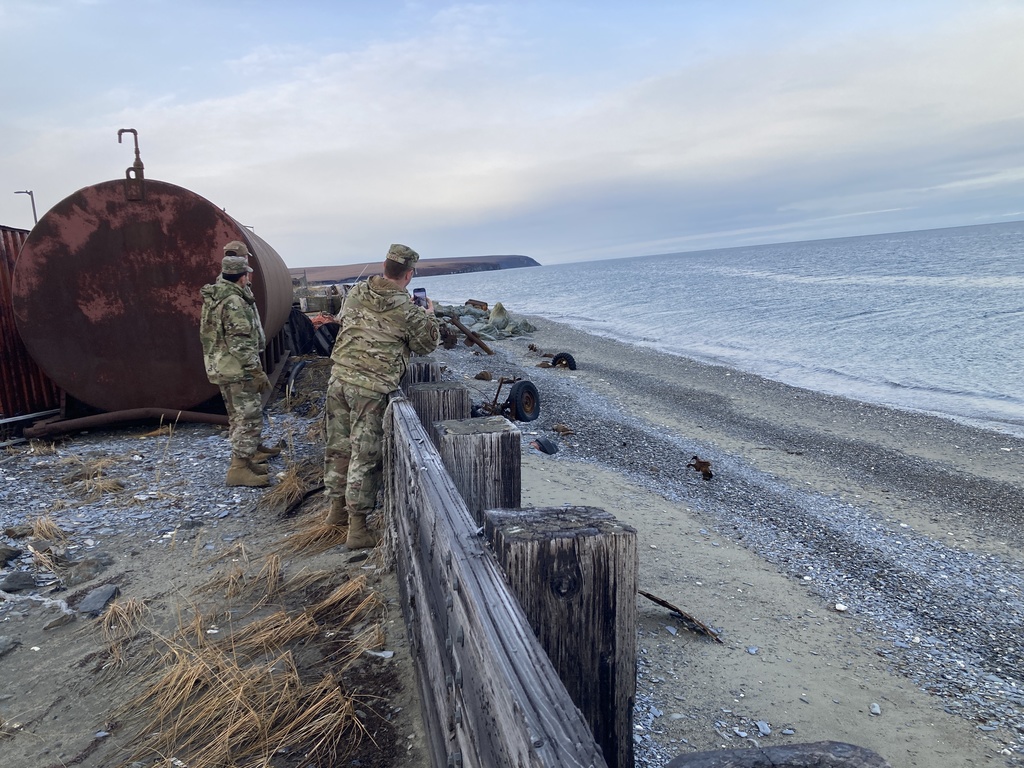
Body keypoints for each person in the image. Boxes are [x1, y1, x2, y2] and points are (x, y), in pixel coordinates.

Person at [324, 243, 440, 548]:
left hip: (338, 378)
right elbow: (427, 345)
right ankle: (358, 530)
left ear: (384, 266)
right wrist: (430, 316)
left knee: (338, 447)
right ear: (410, 274)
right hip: (370, 388)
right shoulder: (406, 308)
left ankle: (335, 511)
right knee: (366, 455)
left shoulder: (358, 292)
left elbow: (343, 319)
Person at [199, 240, 278, 487]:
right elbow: (240, 343)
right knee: (249, 416)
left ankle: (246, 458)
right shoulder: (232, 301)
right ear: (242, 276)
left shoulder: (219, 294)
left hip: (225, 366)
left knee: (237, 416)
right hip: (238, 368)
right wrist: (256, 371)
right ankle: (238, 469)